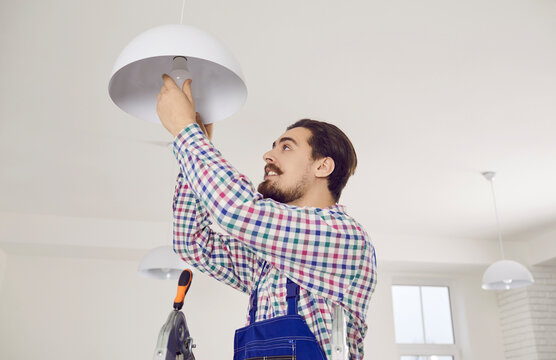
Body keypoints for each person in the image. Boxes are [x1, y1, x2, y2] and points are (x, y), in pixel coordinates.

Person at [157, 75, 377, 359]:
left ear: (323, 166)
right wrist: (191, 152)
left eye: (285, 147)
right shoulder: (268, 259)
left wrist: (187, 133)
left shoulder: (343, 237)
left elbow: (238, 211)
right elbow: (192, 243)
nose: (268, 155)